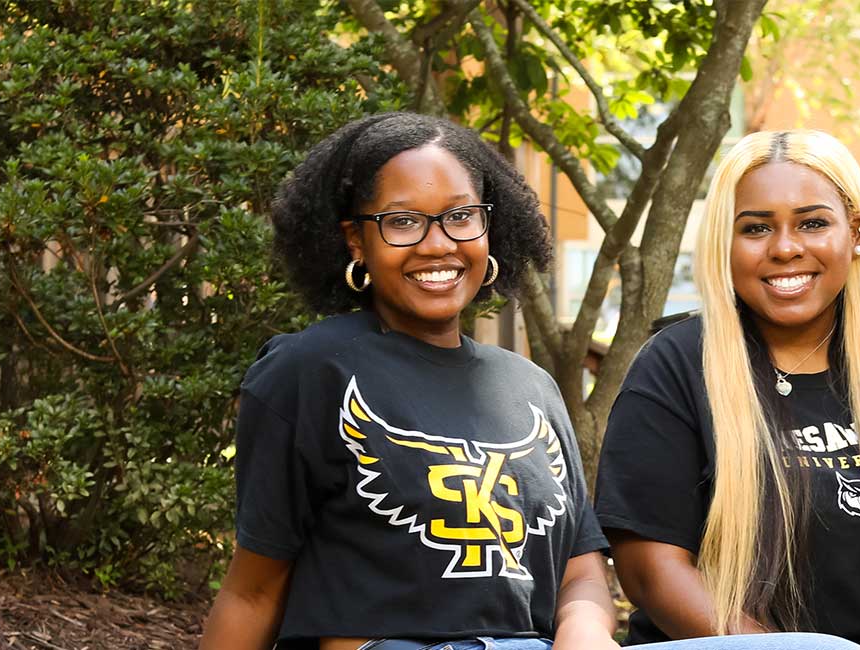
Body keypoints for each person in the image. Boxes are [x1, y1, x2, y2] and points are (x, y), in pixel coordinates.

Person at [202, 113, 790, 650]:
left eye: (460, 217)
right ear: (356, 239)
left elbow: (581, 574)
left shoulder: (530, 387)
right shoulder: (308, 372)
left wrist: (583, 631)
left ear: (490, 228)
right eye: (402, 222)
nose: (438, 243)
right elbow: (252, 591)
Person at [595, 130, 860, 650]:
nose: (786, 248)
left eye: (812, 223)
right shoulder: (673, 367)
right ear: (725, 240)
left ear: (855, 233)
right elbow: (650, 571)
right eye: (756, 228)